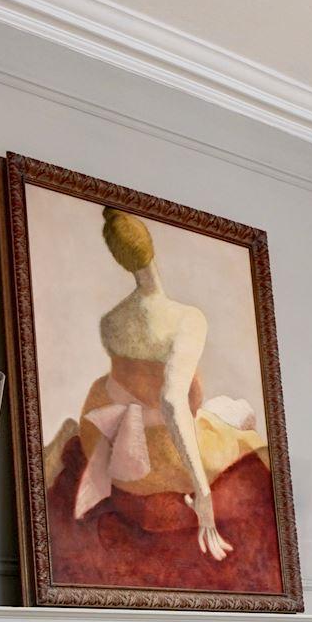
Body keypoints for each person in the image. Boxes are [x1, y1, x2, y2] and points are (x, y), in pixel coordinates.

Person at [69, 207, 268, 561]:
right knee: (241, 418)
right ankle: (233, 416)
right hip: (168, 459)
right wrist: (202, 492)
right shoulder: (187, 319)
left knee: (221, 411)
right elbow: (172, 402)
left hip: (127, 462)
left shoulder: (111, 323)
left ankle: (227, 414)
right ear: (151, 248)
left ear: (119, 256)